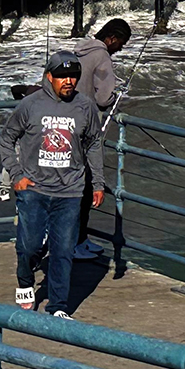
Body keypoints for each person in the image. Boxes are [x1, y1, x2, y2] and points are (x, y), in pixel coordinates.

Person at [0, 52, 104, 317]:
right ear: (49, 77)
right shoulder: (30, 105)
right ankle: (25, 280)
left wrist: (98, 183)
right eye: (61, 76)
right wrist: (16, 175)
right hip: (34, 189)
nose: (68, 81)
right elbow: (7, 139)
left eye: (73, 76)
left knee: (63, 252)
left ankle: (58, 306)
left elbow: (93, 144)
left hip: (70, 192)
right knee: (29, 246)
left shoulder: (85, 106)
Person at [69, 18, 134, 260]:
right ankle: (76, 242)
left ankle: (77, 239)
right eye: (121, 44)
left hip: (66, 126)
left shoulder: (78, 50)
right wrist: (116, 95)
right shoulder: (102, 57)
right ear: (112, 39)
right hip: (85, 130)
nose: (121, 49)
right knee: (85, 188)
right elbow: (104, 99)